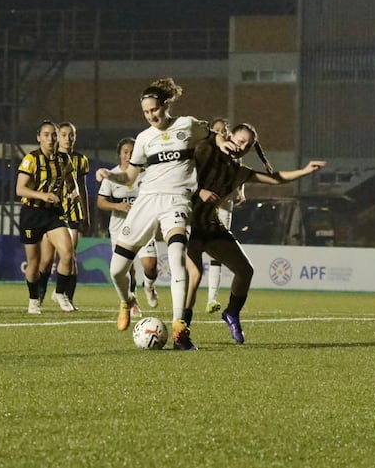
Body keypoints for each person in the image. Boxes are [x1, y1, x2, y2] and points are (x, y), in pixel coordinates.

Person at [95, 77, 235, 350]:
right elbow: (130, 175)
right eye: (146, 112)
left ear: (165, 105)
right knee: (116, 270)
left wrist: (223, 142)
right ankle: (127, 301)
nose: (151, 116)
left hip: (177, 201)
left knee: (176, 257)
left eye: (154, 110)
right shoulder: (144, 139)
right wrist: (109, 174)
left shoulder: (187, 124)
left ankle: (180, 329)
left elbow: (213, 133)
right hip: (146, 201)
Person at [184, 122, 326, 343]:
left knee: (245, 271)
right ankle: (181, 331)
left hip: (210, 226)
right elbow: (179, 173)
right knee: (193, 278)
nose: (242, 147)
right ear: (229, 136)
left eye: (248, 146)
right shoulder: (205, 150)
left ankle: (231, 313)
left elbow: (275, 179)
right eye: (240, 141)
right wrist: (199, 190)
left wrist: (306, 170)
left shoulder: (237, 171)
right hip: (186, 223)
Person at [16, 120, 79, 315]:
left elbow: (71, 182)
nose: (51, 138)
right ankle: (33, 300)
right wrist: (43, 195)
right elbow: (19, 189)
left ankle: (60, 293)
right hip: (32, 213)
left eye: (53, 134)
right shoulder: (31, 159)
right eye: (46, 134)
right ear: (39, 138)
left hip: (53, 213)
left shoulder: (64, 160)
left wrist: (74, 193)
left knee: (68, 253)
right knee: (34, 263)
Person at [96, 137, 159, 316]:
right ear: (119, 155)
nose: (128, 155)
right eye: (125, 152)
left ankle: (149, 286)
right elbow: (101, 202)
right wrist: (118, 206)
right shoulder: (112, 175)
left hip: (143, 225)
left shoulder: (146, 175)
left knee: (151, 265)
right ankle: (132, 300)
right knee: (126, 268)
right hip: (120, 228)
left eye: (132, 152)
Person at [204, 117, 246, 314]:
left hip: (225, 205)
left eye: (224, 130)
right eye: (218, 130)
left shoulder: (233, 152)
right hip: (206, 204)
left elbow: (240, 172)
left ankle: (212, 298)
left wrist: (241, 191)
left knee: (217, 251)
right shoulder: (206, 151)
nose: (221, 133)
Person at [55, 122, 89, 309]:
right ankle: (38, 298)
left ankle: (67, 297)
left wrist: (86, 214)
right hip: (51, 212)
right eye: (64, 134)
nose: (68, 138)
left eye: (71, 135)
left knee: (70, 256)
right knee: (45, 259)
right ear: (58, 137)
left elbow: (82, 188)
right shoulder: (49, 158)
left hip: (73, 213)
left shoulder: (81, 160)